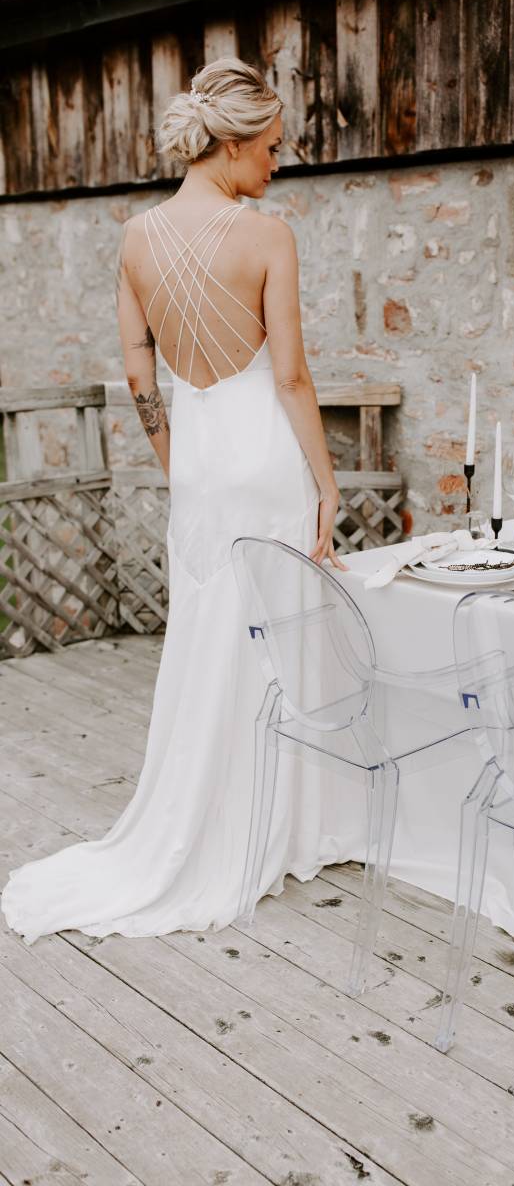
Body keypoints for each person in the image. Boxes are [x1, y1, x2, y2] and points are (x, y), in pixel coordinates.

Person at [1, 57, 359, 944]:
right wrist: (326, 480)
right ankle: (281, 823)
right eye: (271, 148)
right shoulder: (267, 234)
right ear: (233, 146)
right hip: (266, 458)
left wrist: (176, 461)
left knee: (209, 639)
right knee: (279, 634)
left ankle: (209, 818)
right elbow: (292, 374)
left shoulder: (135, 238)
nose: (277, 164)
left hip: (198, 464)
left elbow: (137, 374)